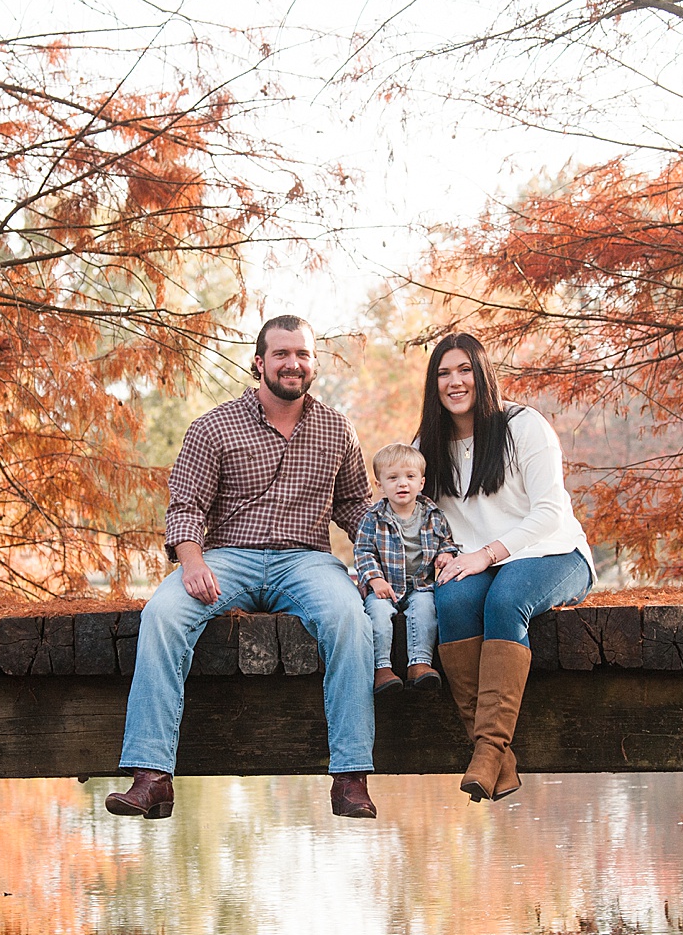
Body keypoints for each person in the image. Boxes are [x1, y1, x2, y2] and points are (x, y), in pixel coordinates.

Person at [106, 315, 381, 820]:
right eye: (281, 354)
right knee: (163, 614)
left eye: (302, 354)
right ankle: (151, 776)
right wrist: (192, 561)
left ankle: (350, 778)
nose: (293, 363)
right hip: (228, 557)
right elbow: (186, 505)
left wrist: (396, 552)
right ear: (259, 362)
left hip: (306, 560)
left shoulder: (337, 428)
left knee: (349, 617)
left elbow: (355, 507)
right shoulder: (213, 426)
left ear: (313, 363)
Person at [419, 332, 596, 803]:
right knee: (452, 600)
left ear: (482, 374)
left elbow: (549, 513)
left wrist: (486, 554)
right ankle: (494, 757)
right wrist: (440, 551)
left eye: (464, 370)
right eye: (443, 373)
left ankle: (488, 750)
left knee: (506, 600)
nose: (455, 382)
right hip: (479, 562)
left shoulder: (524, 426)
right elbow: (422, 519)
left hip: (551, 553)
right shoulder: (428, 444)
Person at [353, 443, 460, 695]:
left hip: (420, 584)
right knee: (377, 614)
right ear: (380, 485)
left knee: (426, 610)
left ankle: (419, 664)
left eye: (410, 477)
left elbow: (447, 540)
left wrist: (446, 553)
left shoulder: (433, 515)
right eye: (393, 478)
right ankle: (382, 668)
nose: (402, 484)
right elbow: (363, 551)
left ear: (421, 483)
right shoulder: (373, 518)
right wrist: (375, 579)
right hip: (385, 586)